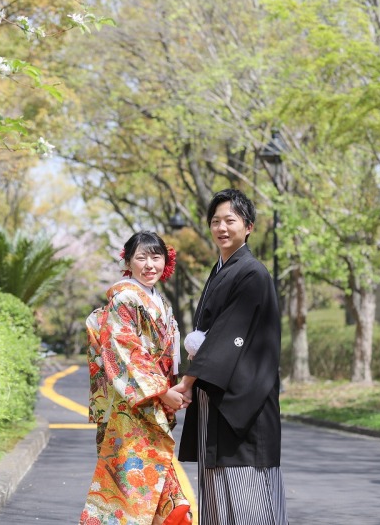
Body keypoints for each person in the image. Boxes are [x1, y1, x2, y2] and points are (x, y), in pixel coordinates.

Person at [172, 188, 288, 525]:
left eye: (230, 220)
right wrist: (194, 381)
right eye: (215, 221)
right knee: (217, 494)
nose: (221, 227)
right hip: (216, 395)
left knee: (249, 496)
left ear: (248, 226)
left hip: (243, 402)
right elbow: (215, 337)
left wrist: (189, 380)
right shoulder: (223, 270)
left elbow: (226, 335)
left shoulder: (252, 273)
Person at [80, 231, 191, 525]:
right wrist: (162, 391)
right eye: (141, 257)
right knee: (134, 486)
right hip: (129, 406)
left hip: (151, 402)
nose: (149, 264)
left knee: (149, 483)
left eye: (156, 257)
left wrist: (177, 387)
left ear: (165, 261)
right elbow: (126, 351)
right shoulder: (126, 298)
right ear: (128, 261)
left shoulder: (160, 303)